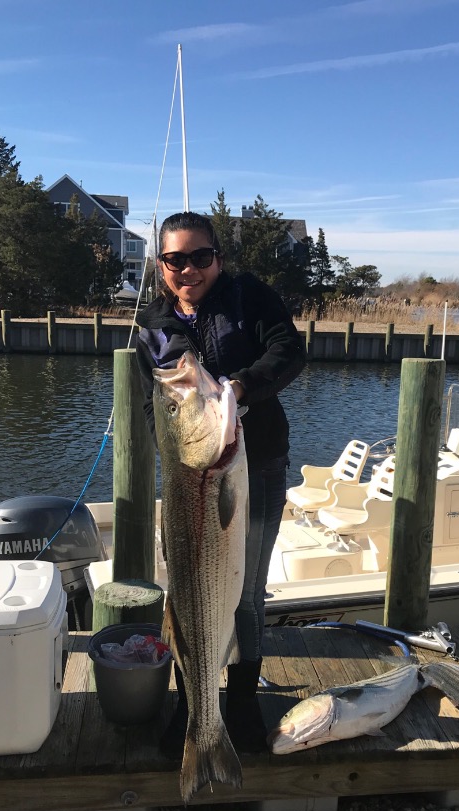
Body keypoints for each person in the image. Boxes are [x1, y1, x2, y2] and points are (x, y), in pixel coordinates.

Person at [136, 211, 307, 755]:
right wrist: (186, 437)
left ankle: (242, 704)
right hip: (189, 479)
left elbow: (289, 351)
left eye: (200, 257)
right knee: (186, 594)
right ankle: (193, 708)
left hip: (256, 467)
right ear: (161, 265)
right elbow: (154, 405)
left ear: (218, 258)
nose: (188, 269)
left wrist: (241, 388)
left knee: (246, 593)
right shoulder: (153, 326)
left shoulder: (248, 297)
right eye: (175, 259)